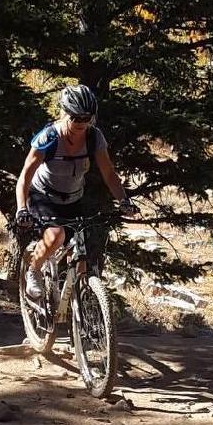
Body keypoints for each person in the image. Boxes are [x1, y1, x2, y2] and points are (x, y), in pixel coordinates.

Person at [13, 84, 131, 305]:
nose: (81, 123)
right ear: (64, 113)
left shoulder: (94, 137)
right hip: (43, 196)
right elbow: (24, 177)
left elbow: (109, 173)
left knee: (80, 251)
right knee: (56, 235)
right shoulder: (48, 138)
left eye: (87, 118)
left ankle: (80, 306)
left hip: (74, 197)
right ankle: (34, 270)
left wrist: (124, 200)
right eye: (76, 118)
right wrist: (21, 208)